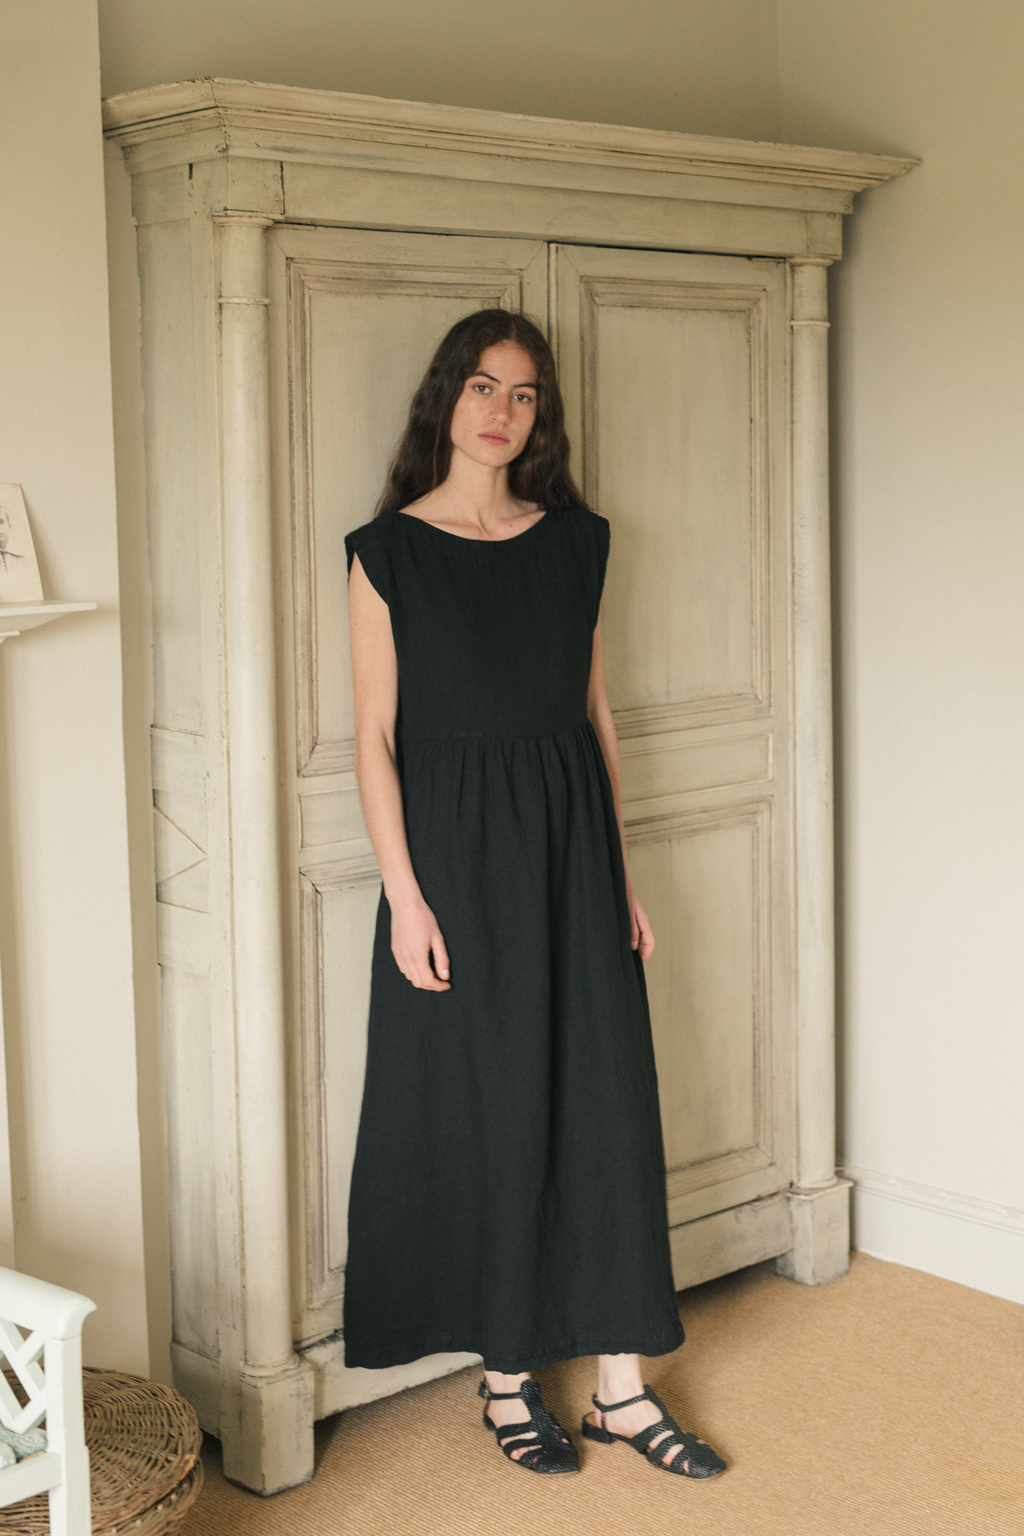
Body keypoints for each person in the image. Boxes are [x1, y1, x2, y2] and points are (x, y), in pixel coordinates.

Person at [343, 309, 725, 1480]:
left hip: (570, 852)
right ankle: (507, 1378)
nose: (502, 412)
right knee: (489, 1109)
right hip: (454, 863)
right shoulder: (387, 550)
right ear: (444, 400)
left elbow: (593, 715)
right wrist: (405, 898)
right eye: (483, 388)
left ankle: (620, 1388)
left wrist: (620, 872)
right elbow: (372, 735)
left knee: (605, 1106)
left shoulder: (575, 542)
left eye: (523, 396)